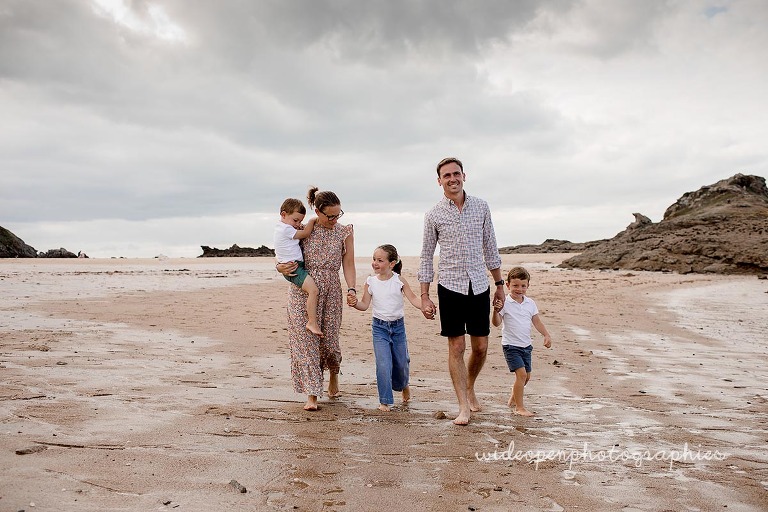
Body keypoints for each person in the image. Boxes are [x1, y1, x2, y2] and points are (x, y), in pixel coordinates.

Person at [418, 157, 506, 425]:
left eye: (456, 174)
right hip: (450, 285)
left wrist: (500, 285)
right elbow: (425, 256)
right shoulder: (433, 214)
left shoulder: (481, 207)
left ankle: (470, 386)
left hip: (479, 283)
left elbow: (491, 246)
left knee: (480, 347)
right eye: (447, 175)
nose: (452, 179)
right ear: (439, 181)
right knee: (457, 345)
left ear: (464, 176)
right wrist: (424, 295)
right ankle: (463, 406)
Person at [276, 187, 356, 411]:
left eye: (337, 215)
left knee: (329, 343)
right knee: (306, 343)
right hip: (303, 289)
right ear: (317, 211)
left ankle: (333, 373)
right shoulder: (302, 228)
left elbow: (348, 263)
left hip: (331, 290)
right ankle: (312, 394)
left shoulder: (344, 232)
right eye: (329, 215)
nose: (334, 219)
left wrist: (352, 288)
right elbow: (284, 251)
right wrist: (279, 267)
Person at [347, 244, 421, 411]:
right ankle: (385, 401)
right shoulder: (370, 282)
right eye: (374, 259)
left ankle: (403, 384)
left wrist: (425, 306)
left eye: (380, 260)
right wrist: (354, 303)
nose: (375, 263)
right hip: (379, 328)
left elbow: (414, 298)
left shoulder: (399, 280)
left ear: (391, 263)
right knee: (383, 364)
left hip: (398, 328)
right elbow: (364, 305)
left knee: (401, 363)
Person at [491, 266, 552, 417]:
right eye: (515, 286)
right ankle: (519, 408)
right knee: (522, 375)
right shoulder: (505, 302)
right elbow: (496, 323)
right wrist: (496, 311)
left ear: (528, 286)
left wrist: (546, 335)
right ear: (507, 285)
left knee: (527, 377)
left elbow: (536, 321)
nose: (519, 289)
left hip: (526, 346)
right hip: (511, 346)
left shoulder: (530, 303)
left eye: (523, 286)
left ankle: (513, 397)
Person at [274, 198, 323, 337]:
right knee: (313, 290)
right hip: (293, 268)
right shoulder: (285, 229)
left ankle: (312, 321)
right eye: (295, 220)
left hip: (294, 266)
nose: (298, 224)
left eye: (300, 221)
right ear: (283, 214)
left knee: (312, 290)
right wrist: (312, 221)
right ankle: (312, 322)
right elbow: (305, 234)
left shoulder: (281, 228)